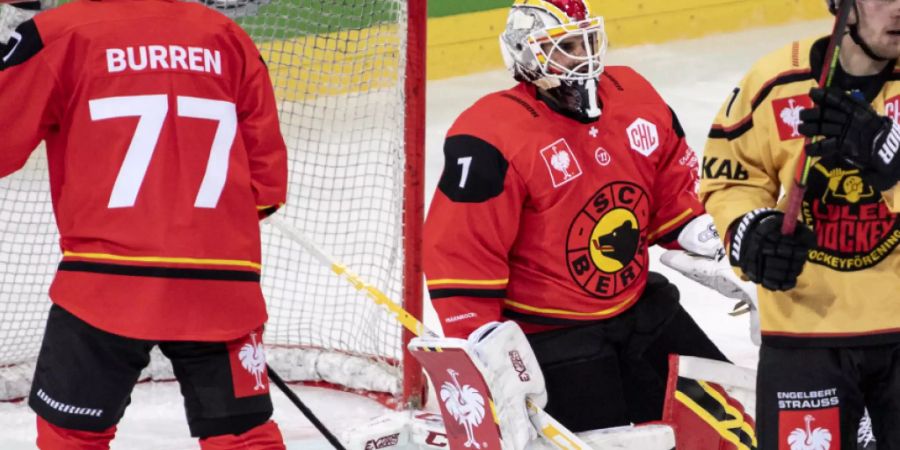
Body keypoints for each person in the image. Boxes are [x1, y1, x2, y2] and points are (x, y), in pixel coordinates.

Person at [423, 0, 751, 440]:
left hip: (639, 309)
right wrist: (483, 343)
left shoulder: (633, 94)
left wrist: (707, 239)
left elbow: (669, 182)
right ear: (523, 55)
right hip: (551, 337)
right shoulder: (489, 135)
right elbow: (459, 253)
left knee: (730, 429)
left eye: (585, 41)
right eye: (564, 46)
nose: (583, 56)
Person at [0, 0, 288, 448]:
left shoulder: (58, 32)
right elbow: (267, 187)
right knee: (243, 436)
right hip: (223, 284)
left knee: (70, 436)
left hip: (104, 283)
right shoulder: (227, 36)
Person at [701, 0, 900, 447]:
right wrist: (750, 233)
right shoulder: (774, 82)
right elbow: (731, 179)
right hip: (805, 331)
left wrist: (891, 159)